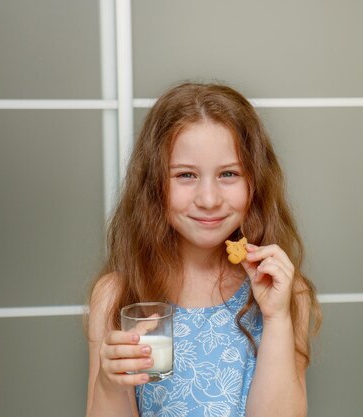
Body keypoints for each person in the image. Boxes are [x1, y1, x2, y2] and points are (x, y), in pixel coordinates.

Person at [86, 82, 322, 417]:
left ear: (255, 182)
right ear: (154, 186)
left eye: (228, 173)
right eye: (185, 175)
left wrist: (276, 317)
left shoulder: (284, 293)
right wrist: (110, 385)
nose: (209, 200)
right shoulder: (117, 295)